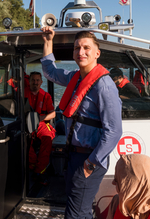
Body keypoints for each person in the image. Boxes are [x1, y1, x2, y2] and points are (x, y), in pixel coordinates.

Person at [41, 27, 123, 218]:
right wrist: (47, 41)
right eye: (77, 48)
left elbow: (114, 131)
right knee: (79, 210)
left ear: (97, 53)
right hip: (74, 156)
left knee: (75, 215)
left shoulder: (104, 85)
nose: (81, 52)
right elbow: (50, 71)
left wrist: (90, 164)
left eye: (86, 47)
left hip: (89, 159)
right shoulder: (74, 79)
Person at [26, 71, 56, 183]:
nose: (35, 82)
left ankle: (40, 171)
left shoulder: (46, 96)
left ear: (41, 82)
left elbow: (53, 114)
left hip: (40, 124)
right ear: (29, 81)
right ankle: (33, 167)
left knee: (47, 139)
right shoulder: (22, 94)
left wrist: (40, 118)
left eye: (37, 80)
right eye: (33, 80)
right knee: (23, 141)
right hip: (25, 124)